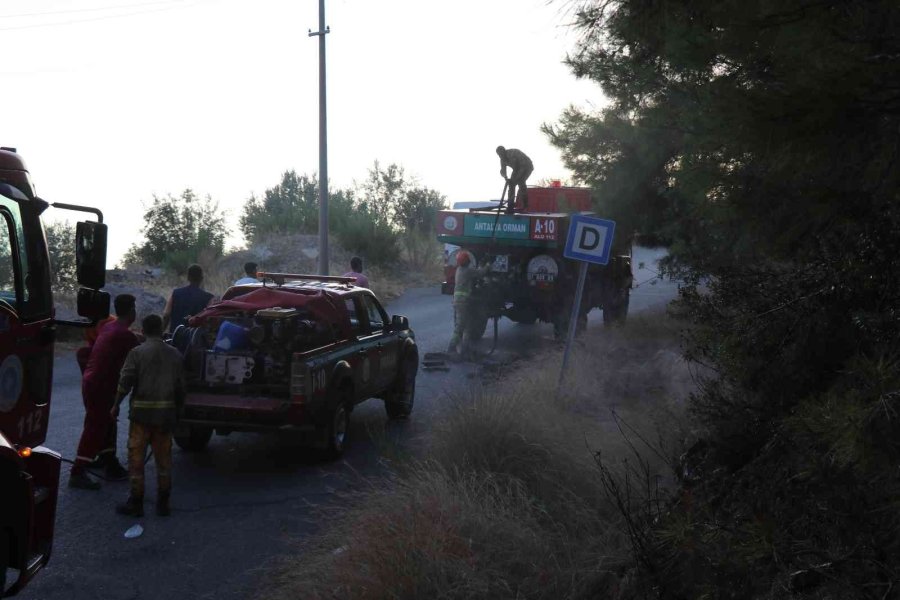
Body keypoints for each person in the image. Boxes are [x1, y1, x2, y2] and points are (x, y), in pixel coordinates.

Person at [112, 314, 186, 517]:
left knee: (136, 460)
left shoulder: (136, 353)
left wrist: (116, 405)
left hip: (141, 418)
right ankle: (163, 503)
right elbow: (181, 389)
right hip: (164, 418)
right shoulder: (175, 355)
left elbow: (125, 381)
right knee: (164, 461)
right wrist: (179, 412)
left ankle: (136, 503)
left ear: (143, 332)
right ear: (162, 330)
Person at [69, 294, 139, 490]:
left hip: (92, 382)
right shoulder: (125, 335)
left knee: (107, 423)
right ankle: (77, 472)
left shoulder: (108, 326)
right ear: (132, 311)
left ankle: (108, 460)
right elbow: (141, 356)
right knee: (95, 426)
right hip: (101, 386)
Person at [446, 250, 489, 359]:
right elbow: (481, 273)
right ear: (467, 261)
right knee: (460, 326)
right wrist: (488, 265)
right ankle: (451, 347)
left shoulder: (459, 270)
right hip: (463, 302)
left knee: (468, 325)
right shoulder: (467, 271)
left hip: (460, 301)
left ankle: (465, 349)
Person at [163, 264, 214, 333]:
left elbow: (166, 315)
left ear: (188, 278)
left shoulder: (175, 293)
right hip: (195, 340)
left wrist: (161, 332)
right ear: (201, 278)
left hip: (174, 337)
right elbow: (210, 320)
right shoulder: (209, 298)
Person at [496, 146, 534, 213]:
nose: (500, 156)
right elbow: (503, 170)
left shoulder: (513, 153)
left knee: (521, 182)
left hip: (527, 166)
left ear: (504, 151)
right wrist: (506, 178)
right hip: (516, 169)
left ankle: (525, 206)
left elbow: (523, 167)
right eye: (499, 155)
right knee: (511, 185)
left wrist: (516, 179)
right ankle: (510, 206)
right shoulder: (502, 159)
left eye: (501, 154)